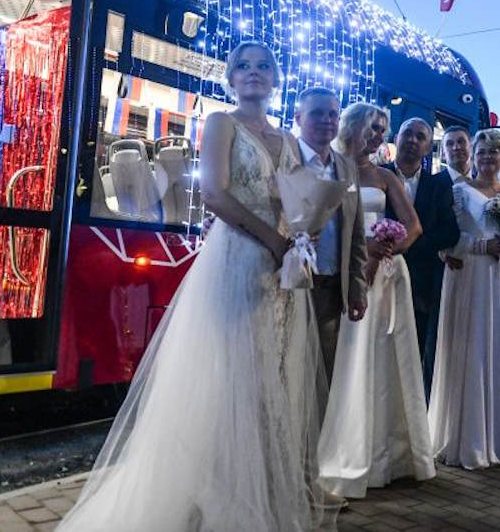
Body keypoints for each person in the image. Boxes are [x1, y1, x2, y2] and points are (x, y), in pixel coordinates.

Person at [58, 42, 333, 530]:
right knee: (233, 374)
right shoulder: (223, 123)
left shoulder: (289, 141)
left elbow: (294, 198)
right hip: (237, 257)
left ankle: (262, 491)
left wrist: (303, 231)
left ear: (275, 79)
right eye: (243, 66)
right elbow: (214, 194)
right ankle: (221, 496)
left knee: (272, 376)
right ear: (231, 79)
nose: (253, 73)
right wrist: (273, 238)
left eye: (263, 66)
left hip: (279, 270)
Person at [318, 104, 435, 498]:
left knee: (382, 359)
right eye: (373, 127)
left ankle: (386, 453)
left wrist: (385, 249)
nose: (378, 135)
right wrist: (357, 254)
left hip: (384, 276)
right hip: (339, 271)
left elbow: (413, 227)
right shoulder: (329, 167)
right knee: (345, 358)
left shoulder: (384, 177)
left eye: (383, 129)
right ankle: (338, 446)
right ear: (354, 125)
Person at [429, 129, 500, 468]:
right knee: (475, 348)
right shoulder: (459, 193)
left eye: (494, 152)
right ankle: (471, 438)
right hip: (473, 278)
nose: (488, 157)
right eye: (482, 151)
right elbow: (447, 241)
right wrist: (483, 246)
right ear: (473, 156)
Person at [294, 87, 369, 382]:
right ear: (298, 118)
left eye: (333, 114)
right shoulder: (284, 158)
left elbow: (356, 231)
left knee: (323, 373)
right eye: (317, 113)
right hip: (289, 284)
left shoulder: (347, 167)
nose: (326, 120)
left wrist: (357, 288)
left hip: (331, 286)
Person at [382, 118, 460, 399]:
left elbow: (450, 232)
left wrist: (409, 244)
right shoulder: (377, 175)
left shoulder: (438, 185)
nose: (413, 140)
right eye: (408, 134)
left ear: (428, 147)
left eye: (420, 137)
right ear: (396, 138)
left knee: (414, 351)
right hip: (378, 274)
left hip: (421, 284)